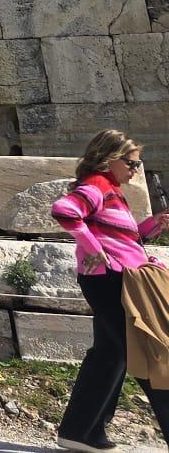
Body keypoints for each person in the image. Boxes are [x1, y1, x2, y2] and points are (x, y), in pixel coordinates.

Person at [52, 129, 169, 452]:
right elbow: (64, 210)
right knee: (151, 353)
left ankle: (80, 431)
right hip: (110, 280)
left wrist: (152, 226)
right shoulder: (97, 185)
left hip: (113, 278)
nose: (136, 169)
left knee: (111, 354)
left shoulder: (111, 191)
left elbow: (120, 239)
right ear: (109, 159)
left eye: (138, 163)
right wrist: (92, 247)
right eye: (132, 162)